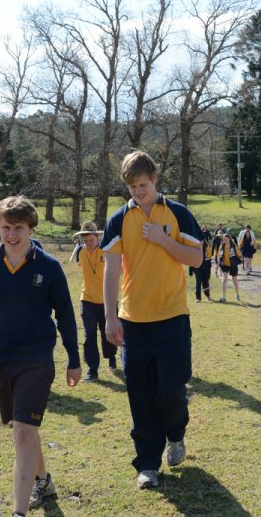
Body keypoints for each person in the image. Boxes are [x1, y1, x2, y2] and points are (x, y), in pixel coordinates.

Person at [0, 196, 81, 516]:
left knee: (23, 433)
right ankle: (43, 480)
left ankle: (19, 511)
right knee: (23, 426)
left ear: (30, 229)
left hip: (38, 360)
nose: (12, 234)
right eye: (5, 228)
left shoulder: (49, 267)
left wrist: (74, 358)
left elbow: (66, 316)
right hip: (1, 359)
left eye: (18, 228)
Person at [101, 150, 203, 490]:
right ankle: (147, 464)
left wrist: (163, 239)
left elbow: (197, 258)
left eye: (142, 185)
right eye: (131, 187)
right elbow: (111, 270)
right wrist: (110, 318)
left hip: (173, 319)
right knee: (140, 396)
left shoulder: (178, 214)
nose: (138, 192)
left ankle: (176, 434)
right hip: (134, 323)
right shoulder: (118, 220)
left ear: (155, 179)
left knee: (171, 391)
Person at [73, 220, 118, 381]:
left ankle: (111, 356)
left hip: (107, 300)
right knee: (88, 335)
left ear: (97, 237)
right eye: (85, 241)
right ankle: (92, 369)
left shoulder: (107, 252)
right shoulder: (81, 253)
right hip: (87, 299)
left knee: (108, 334)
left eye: (91, 240)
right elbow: (80, 266)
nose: (88, 244)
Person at [216, 232, 243, 302]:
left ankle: (237, 295)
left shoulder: (233, 246)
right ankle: (223, 297)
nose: (225, 241)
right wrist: (217, 268)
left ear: (229, 239)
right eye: (224, 239)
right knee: (224, 279)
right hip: (224, 265)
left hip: (233, 265)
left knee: (234, 280)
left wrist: (241, 257)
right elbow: (219, 257)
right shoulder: (221, 247)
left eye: (226, 239)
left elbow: (239, 254)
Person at [190, 234, 213, 302]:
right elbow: (192, 258)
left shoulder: (207, 248)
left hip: (205, 268)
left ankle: (208, 296)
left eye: (201, 240)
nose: (200, 242)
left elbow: (209, 258)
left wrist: (205, 265)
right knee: (198, 282)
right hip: (197, 267)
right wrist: (190, 269)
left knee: (206, 282)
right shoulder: (194, 247)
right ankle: (198, 297)